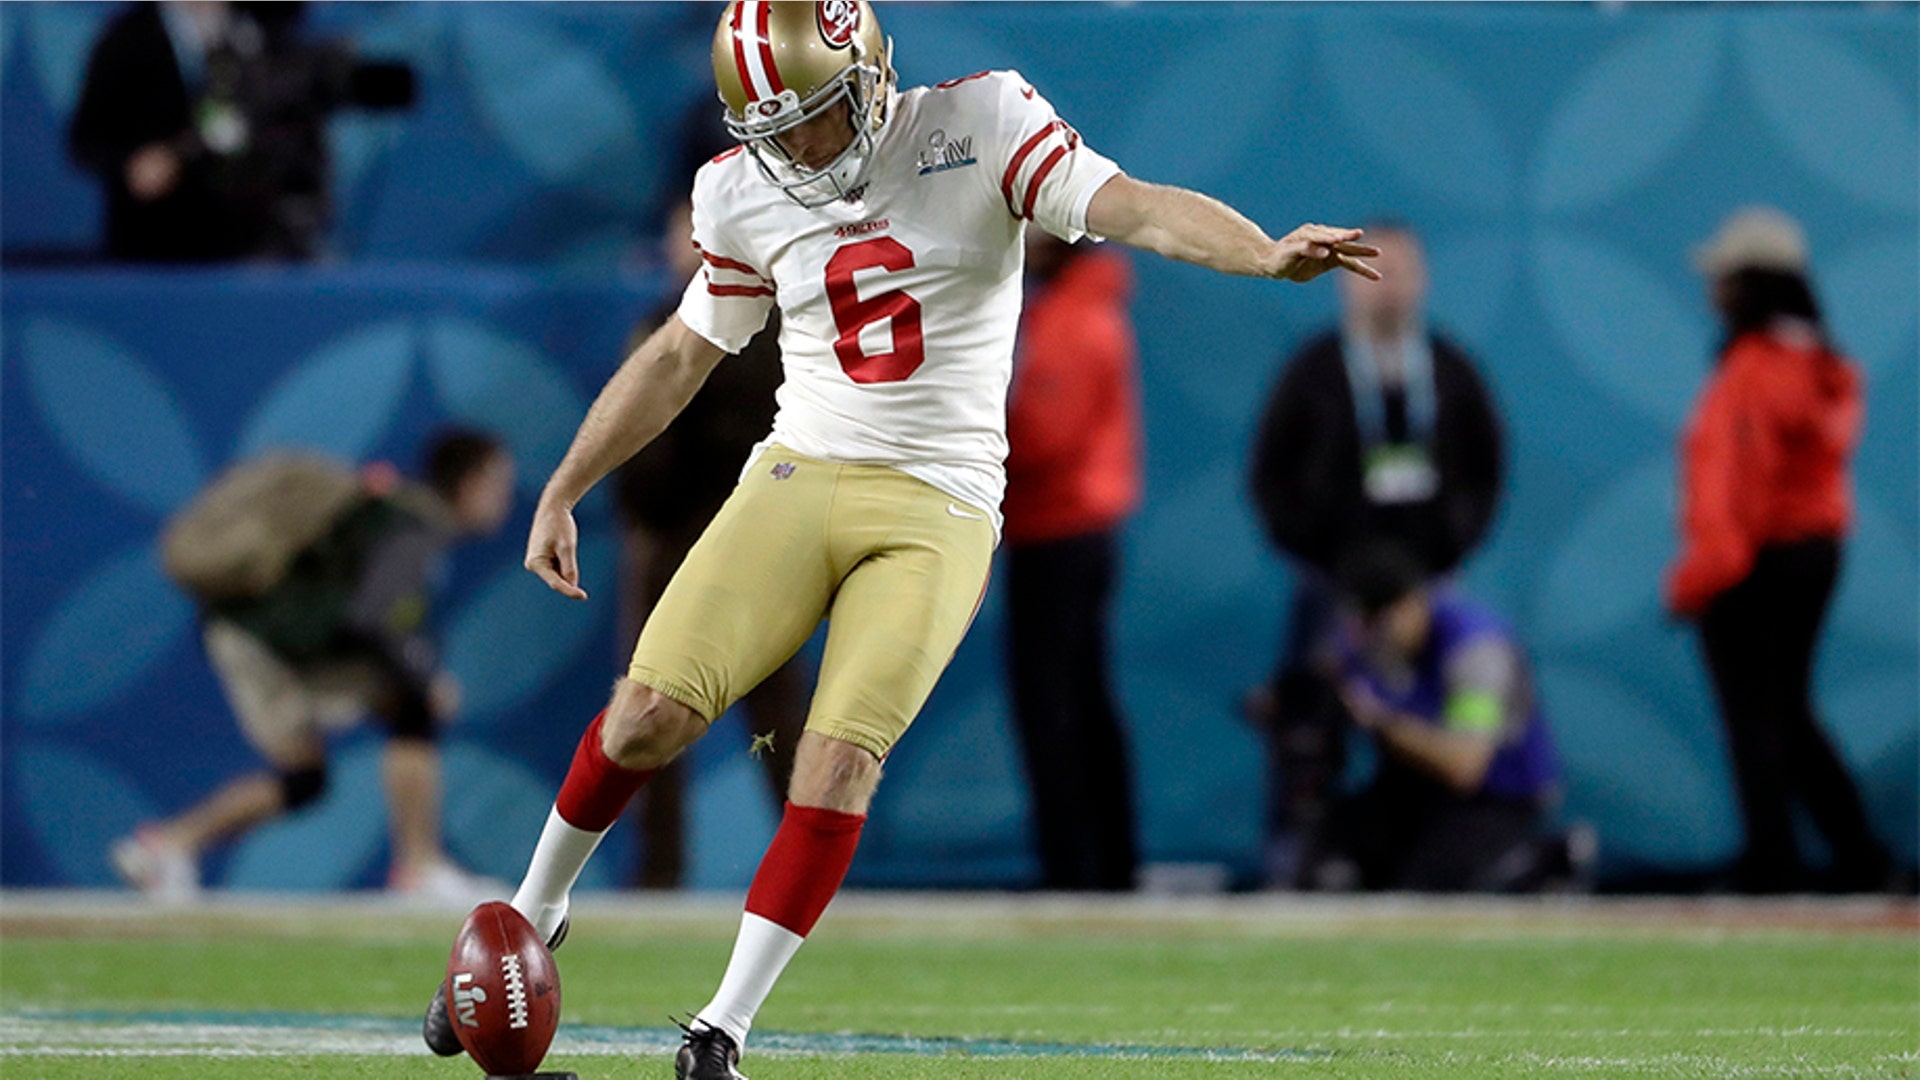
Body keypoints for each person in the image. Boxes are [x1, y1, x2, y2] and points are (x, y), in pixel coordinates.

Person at [420, 4, 1378, 1076]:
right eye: (772, 131)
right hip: (801, 472)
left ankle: (722, 1026)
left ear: (870, 75)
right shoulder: (739, 191)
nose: (801, 150)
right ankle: (533, 910)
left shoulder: (986, 121)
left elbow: (1135, 207)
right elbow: (681, 358)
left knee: (835, 763)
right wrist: (565, 484)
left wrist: (1261, 254)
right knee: (645, 716)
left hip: (940, 501)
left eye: (818, 119)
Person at [110, 429, 516, 902]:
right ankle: (420, 869)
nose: (506, 500)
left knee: (305, 778)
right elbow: (371, 620)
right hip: (264, 639)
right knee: (414, 709)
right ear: (472, 483)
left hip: (264, 636)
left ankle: (168, 846)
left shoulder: (399, 516)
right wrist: (424, 679)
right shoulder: (414, 526)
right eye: (501, 484)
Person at [1244, 221, 1504, 888]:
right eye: (1374, 273)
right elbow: (1271, 472)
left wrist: (1449, 549)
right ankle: (1294, 858)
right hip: (1333, 586)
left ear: (1424, 282)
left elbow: (1485, 465)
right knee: (1309, 722)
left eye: (1403, 273)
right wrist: (1317, 555)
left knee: (1444, 717)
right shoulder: (1314, 370)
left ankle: (1443, 850)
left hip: (1430, 584)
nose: (1388, 290)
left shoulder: (1449, 371)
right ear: (1345, 283)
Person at [1666, 206, 1894, 894]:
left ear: (1749, 285)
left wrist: (1703, 575)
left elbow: (1730, 488)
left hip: (1756, 561)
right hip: (1813, 553)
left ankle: (1774, 864)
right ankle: (1859, 858)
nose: (1712, 292)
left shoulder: (1756, 371)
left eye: (1724, 279)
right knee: (1787, 713)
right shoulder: (1818, 365)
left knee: (1756, 719)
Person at [612, 195, 808, 889]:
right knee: (768, 713)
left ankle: (663, 872)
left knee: (663, 709)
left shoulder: (690, 329)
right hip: (752, 541)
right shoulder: (783, 324)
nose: (681, 246)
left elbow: (645, 444)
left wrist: (643, 512)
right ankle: (808, 862)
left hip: (697, 538)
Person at [1000, 230, 1143, 891]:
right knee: (1080, 699)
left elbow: (1042, 435)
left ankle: (1079, 868)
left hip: (1058, 530)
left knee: (1054, 707)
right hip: (1066, 529)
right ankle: (1103, 862)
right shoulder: (1076, 308)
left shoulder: (1073, 319)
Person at [1306, 542, 1568, 893]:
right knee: (1325, 857)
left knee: (1420, 895)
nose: (1372, 634)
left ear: (1412, 601)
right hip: (1414, 788)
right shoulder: (1358, 640)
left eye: (1381, 617)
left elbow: (1466, 766)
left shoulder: (1476, 651)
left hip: (1496, 796)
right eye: (1362, 619)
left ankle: (1541, 859)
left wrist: (1382, 722)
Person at [67, 1, 412, 262]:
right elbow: (86, 141)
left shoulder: (259, 31)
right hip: (153, 250)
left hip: (248, 248)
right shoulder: (126, 39)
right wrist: (133, 163)